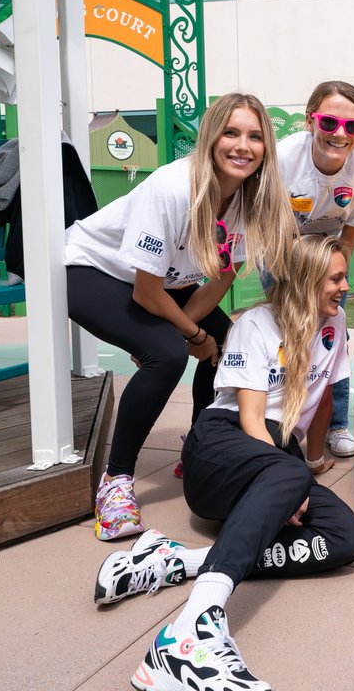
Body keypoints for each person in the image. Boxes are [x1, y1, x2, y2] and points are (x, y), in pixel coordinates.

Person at [94, 235, 354, 691]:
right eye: (336, 278)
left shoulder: (334, 327)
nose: (345, 286)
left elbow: (319, 406)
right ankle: (190, 634)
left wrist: (313, 463)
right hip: (222, 446)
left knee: (344, 537)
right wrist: (293, 480)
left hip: (280, 459)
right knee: (288, 470)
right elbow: (252, 417)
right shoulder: (256, 324)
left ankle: (176, 562)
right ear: (305, 280)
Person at [66, 92, 297, 541]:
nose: (242, 146)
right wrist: (187, 335)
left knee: (226, 346)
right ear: (211, 138)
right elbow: (146, 292)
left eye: (254, 136)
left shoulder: (253, 199)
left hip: (161, 283)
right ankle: (116, 482)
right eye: (231, 133)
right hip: (90, 267)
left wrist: (195, 336)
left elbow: (218, 282)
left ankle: (198, 449)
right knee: (167, 355)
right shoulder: (172, 187)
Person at [277, 80, 354, 464]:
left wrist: (335, 279)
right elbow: (270, 226)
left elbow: (353, 229)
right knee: (286, 331)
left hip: (330, 244)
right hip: (282, 247)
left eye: (352, 127)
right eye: (329, 123)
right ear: (310, 121)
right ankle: (280, 417)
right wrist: (298, 277)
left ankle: (337, 423)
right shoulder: (284, 158)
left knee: (331, 332)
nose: (340, 134)